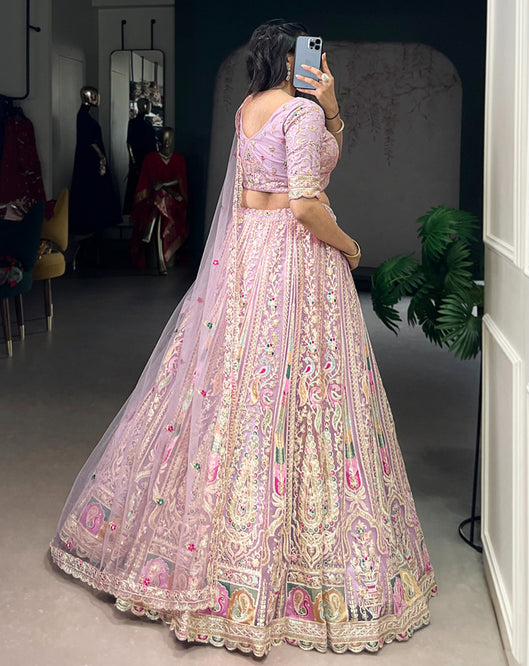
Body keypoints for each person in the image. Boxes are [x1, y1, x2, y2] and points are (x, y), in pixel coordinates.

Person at [50, 20, 436, 656]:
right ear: (290, 61)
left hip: (248, 253)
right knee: (303, 393)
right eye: (307, 56)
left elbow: (288, 175)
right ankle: (275, 559)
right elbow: (307, 204)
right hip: (294, 259)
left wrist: (333, 110)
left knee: (229, 387)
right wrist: (350, 246)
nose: (316, 64)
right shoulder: (299, 114)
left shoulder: (248, 108)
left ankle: (200, 538)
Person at [130, 126, 188, 273]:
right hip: (153, 199)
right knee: (158, 200)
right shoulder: (151, 159)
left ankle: (151, 234)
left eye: (169, 139)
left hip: (173, 200)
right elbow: (148, 183)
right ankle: (160, 261)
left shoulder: (178, 159)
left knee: (161, 200)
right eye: (164, 139)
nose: (166, 142)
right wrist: (160, 187)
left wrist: (163, 185)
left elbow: (179, 181)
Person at [69, 86, 121, 234]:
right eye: (96, 96)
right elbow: (88, 139)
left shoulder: (85, 115)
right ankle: (92, 223)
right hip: (90, 160)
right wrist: (100, 156)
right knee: (92, 189)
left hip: (90, 158)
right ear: (90, 97)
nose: (98, 99)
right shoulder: (83, 117)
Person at [123, 97, 157, 214]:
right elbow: (129, 143)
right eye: (148, 105)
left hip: (147, 159)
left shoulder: (147, 123)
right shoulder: (134, 123)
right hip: (139, 159)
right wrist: (133, 161)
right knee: (136, 185)